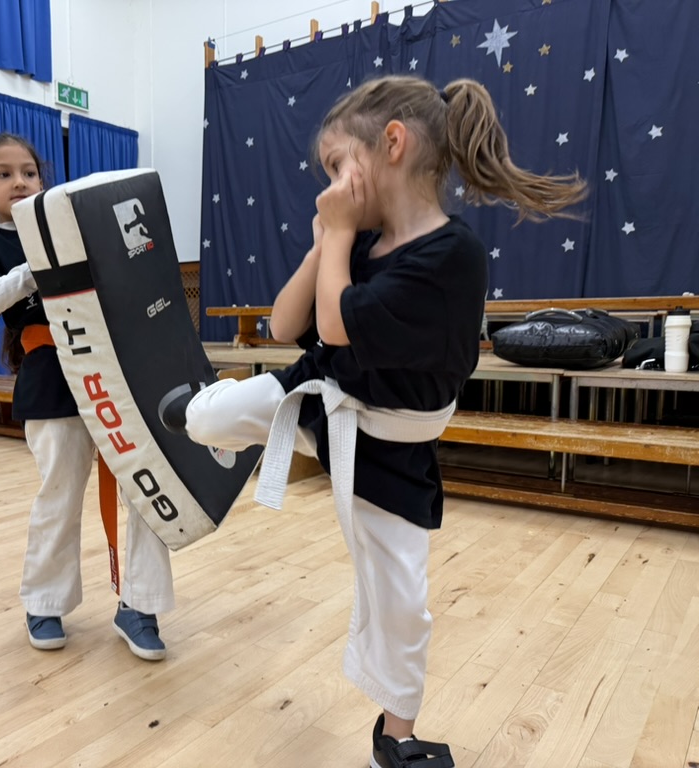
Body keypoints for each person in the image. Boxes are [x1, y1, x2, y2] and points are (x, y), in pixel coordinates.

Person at [181, 76, 587, 767]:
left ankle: (394, 740)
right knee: (208, 418)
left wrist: (337, 234)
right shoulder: (357, 244)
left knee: (402, 604)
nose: (331, 184)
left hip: (391, 450)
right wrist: (323, 245)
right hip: (319, 398)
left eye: (339, 166)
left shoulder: (450, 254)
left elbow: (338, 325)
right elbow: (286, 325)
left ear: (391, 145)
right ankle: (195, 410)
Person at [0, 133, 174, 661]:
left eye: (29, 172)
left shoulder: (75, 229)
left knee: (147, 487)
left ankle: (140, 605)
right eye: (4, 174)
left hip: (118, 370)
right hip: (51, 375)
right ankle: (45, 601)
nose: (19, 182)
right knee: (59, 492)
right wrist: (36, 268)